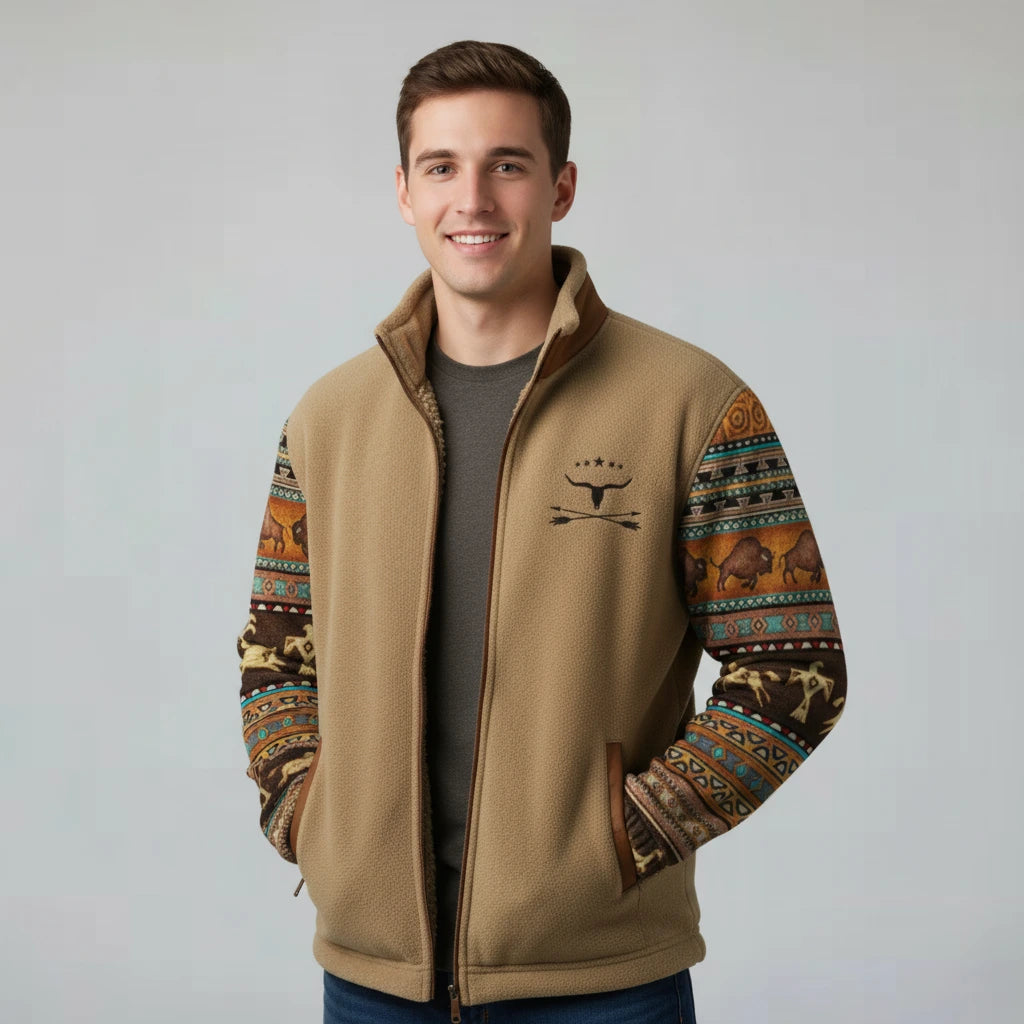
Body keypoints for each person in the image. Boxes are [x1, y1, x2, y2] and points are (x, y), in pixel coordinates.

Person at [236, 39, 847, 1024]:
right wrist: (309, 818)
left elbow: (794, 663)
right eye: (442, 167)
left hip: (601, 984)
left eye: (507, 165)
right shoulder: (327, 419)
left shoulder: (693, 404)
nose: (472, 199)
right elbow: (277, 647)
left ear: (561, 187)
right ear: (403, 192)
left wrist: (627, 836)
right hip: (372, 979)